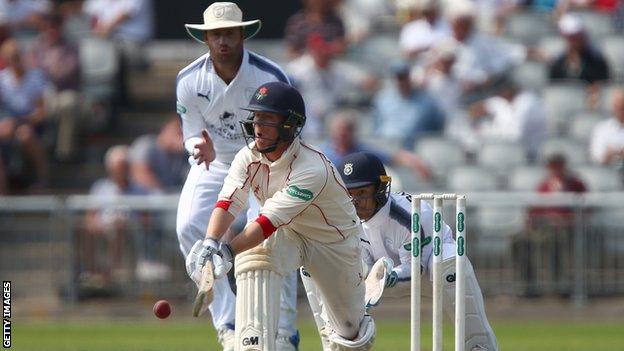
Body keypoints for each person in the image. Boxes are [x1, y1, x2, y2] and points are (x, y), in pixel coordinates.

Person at [185, 82, 376, 351]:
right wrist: (210, 243)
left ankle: (349, 336)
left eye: (268, 118)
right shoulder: (248, 156)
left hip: (334, 244)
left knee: (348, 336)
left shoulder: (312, 169)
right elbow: (229, 202)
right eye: (256, 116)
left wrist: (226, 252)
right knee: (255, 256)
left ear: (289, 124)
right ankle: (253, 345)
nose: (257, 125)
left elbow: (267, 222)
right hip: (288, 233)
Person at [175, 3, 298, 350]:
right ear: (206, 38)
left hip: (266, 162)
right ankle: (228, 324)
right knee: (188, 227)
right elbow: (190, 132)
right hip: (215, 163)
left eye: (229, 33)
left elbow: (290, 131)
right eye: (216, 35)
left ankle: (283, 332)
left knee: (275, 237)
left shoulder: (269, 75)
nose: (223, 41)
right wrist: (197, 147)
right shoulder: (188, 79)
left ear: (242, 34)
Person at [326, 151, 498, 351]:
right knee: (320, 269)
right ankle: (338, 343)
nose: (355, 201)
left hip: (430, 271)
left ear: (380, 188)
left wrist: (383, 278)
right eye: (349, 194)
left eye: (362, 193)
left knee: (448, 260)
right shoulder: (346, 218)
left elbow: (416, 270)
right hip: (388, 279)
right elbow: (365, 268)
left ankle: (478, 345)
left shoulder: (410, 215)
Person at [128, 117, 188, 193]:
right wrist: (163, 193)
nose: (180, 138)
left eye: (182, 134)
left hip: (169, 198)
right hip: (141, 197)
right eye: (178, 133)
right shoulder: (146, 144)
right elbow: (139, 173)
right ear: (164, 130)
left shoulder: (182, 155)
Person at [590, 87, 624, 166]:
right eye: (619, 108)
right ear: (613, 108)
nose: (622, 112)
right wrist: (609, 154)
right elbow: (596, 157)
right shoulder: (602, 129)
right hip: (608, 170)